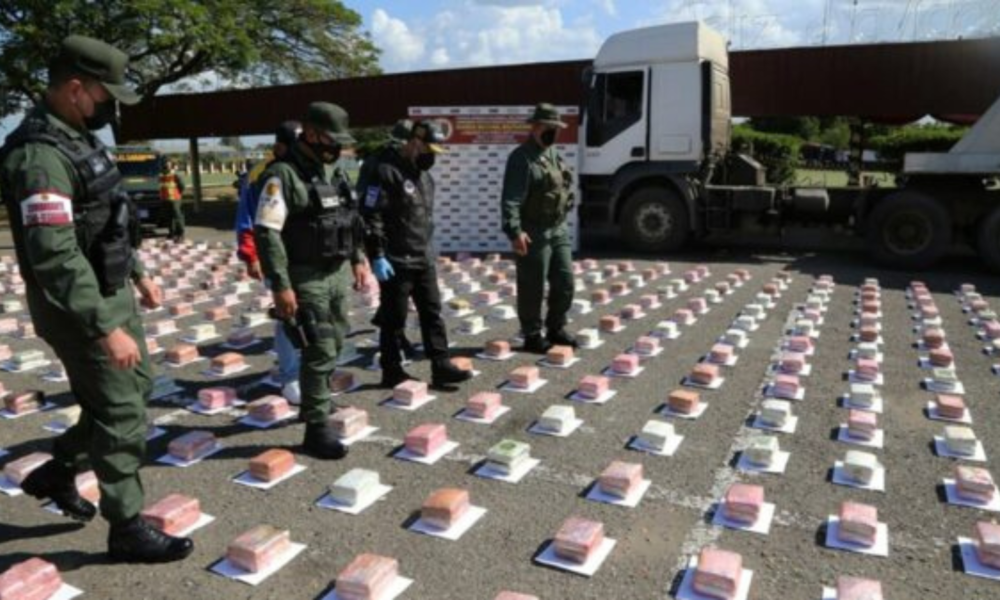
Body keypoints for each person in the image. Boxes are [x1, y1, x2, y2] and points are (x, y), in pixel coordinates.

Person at [0, 35, 193, 563]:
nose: (110, 107)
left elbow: (109, 217)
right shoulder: (40, 156)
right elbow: (56, 257)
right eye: (106, 96)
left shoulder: (79, 139)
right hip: (78, 308)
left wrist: (139, 271)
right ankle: (126, 527)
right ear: (76, 89)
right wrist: (105, 325)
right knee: (122, 409)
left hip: (109, 294)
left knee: (123, 396)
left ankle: (57, 470)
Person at [254, 102, 370, 459]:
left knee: (333, 344)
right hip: (305, 276)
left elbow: (350, 218)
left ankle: (315, 404)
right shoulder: (283, 176)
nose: (337, 147)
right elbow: (267, 232)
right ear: (312, 133)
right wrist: (280, 284)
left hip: (335, 272)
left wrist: (358, 258)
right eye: (332, 139)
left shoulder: (332, 171)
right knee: (318, 348)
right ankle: (315, 430)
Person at [359, 119, 473, 389]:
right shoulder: (385, 172)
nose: (431, 156)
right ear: (414, 142)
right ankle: (391, 370)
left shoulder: (424, 176)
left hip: (423, 256)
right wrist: (376, 254)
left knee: (432, 312)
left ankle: (441, 364)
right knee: (393, 319)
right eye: (427, 149)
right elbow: (371, 215)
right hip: (396, 259)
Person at [235, 120, 303, 402]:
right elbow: (247, 218)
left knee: (308, 314)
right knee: (288, 314)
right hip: (276, 255)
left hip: (305, 256)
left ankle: (306, 369)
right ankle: (290, 378)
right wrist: (251, 256)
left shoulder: (303, 170)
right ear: (280, 146)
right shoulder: (261, 175)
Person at [501, 103, 577, 354]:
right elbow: (510, 199)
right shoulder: (521, 158)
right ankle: (532, 334)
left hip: (558, 229)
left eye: (556, 128)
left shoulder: (554, 153)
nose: (553, 133)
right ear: (535, 127)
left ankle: (556, 327)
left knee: (565, 282)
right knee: (532, 285)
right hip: (533, 231)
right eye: (548, 128)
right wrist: (515, 231)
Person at [159, 159, 185, 241]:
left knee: (177, 216)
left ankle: (180, 234)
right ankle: (172, 233)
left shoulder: (175, 174)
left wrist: (178, 194)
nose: (167, 166)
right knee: (168, 217)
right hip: (165, 199)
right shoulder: (161, 174)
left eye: (169, 164)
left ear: (172, 165)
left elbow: (182, 186)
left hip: (175, 198)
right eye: (166, 164)